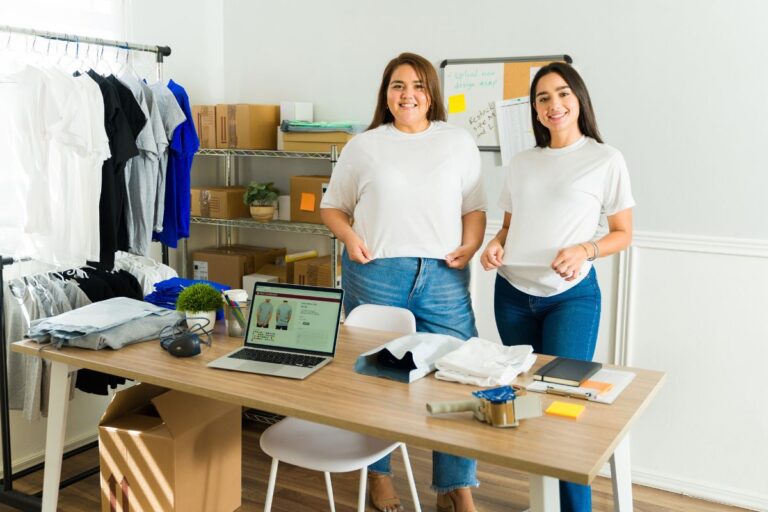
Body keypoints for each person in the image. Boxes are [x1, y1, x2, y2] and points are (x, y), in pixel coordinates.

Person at [321, 52, 486, 512]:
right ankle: (378, 475)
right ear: (386, 94)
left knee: (457, 375)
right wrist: (350, 237)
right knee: (379, 379)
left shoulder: (457, 142)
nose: (407, 94)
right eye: (397, 85)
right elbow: (332, 206)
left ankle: (456, 484)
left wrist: (470, 246)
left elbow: (474, 207)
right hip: (377, 272)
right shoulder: (364, 145)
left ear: (431, 92)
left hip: (444, 274)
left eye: (417, 85)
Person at [480, 62, 635, 512]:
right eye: (543, 98)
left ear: (579, 100)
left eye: (562, 94)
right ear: (534, 109)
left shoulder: (605, 159)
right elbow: (509, 226)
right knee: (530, 404)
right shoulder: (522, 161)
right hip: (512, 296)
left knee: (565, 411)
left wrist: (586, 250)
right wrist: (495, 245)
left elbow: (623, 232)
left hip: (571, 299)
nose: (554, 105)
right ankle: (545, 503)